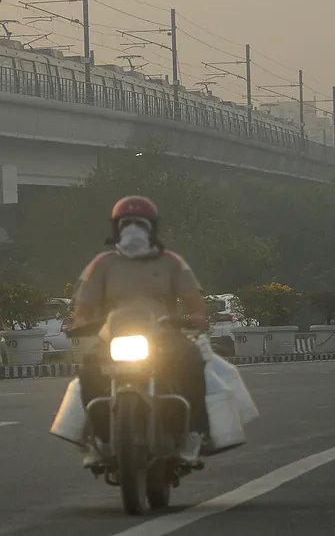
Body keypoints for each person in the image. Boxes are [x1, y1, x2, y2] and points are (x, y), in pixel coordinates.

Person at [70, 195, 210, 467]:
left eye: (140, 223)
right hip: (113, 336)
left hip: (164, 335)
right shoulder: (101, 264)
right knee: (88, 369)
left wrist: (197, 316)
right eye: (127, 223)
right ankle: (100, 439)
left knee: (192, 359)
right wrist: (79, 322)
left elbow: (194, 301)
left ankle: (194, 433)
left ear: (152, 229)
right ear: (116, 228)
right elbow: (84, 306)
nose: (133, 228)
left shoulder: (172, 262)